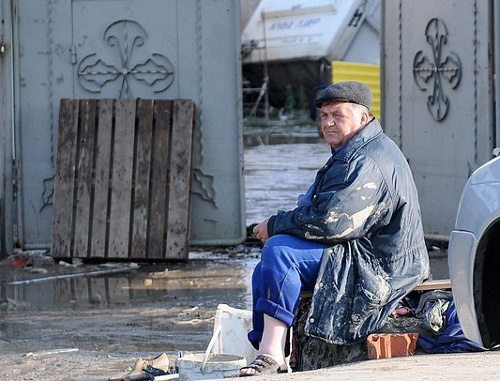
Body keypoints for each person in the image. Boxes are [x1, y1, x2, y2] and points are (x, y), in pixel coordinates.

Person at [239, 81, 430, 377]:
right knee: (265, 266)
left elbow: (333, 223)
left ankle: (272, 353)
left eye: (337, 115)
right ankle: (265, 349)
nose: (328, 122)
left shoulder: (367, 159)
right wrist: (283, 223)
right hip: (359, 250)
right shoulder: (355, 149)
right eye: (324, 115)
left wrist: (276, 224)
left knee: (280, 252)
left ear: (363, 118)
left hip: (380, 265)